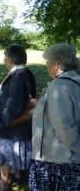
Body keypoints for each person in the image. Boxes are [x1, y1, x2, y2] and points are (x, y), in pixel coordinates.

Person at [29, 43, 80, 191]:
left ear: (56, 65)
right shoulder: (75, 82)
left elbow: (64, 127)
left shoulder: (59, 87)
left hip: (56, 162)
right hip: (66, 160)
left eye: (48, 63)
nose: (47, 67)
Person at [0, 45, 36, 191]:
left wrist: (2, 121)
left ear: (10, 60)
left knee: (6, 152)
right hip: (21, 124)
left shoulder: (17, 76)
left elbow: (12, 104)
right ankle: (17, 173)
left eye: (5, 57)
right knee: (16, 149)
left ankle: (3, 185)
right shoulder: (26, 72)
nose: (4, 60)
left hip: (11, 126)